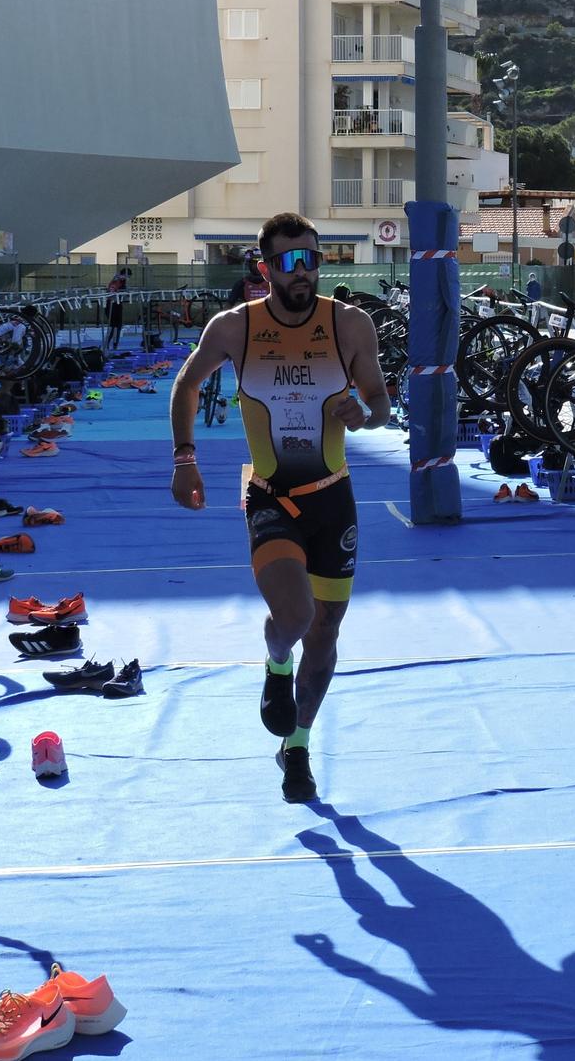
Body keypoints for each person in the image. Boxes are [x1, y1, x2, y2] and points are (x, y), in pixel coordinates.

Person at [168, 213, 392, 803]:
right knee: (292, 618)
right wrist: (184, 458)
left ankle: (297, 744)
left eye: (313, 259)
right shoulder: (235, 327)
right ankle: (274, 663)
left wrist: (364, 414)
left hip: (332, 498)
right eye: (291, 261)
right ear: (264, 267)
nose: (304, 272)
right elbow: (187, 384)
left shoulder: (349, 325)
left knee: (325, 633)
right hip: (271, 496)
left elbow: (381, 400)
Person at [105, 268, 129, 350]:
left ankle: (115, 345)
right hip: (112, 304)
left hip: (117, 304)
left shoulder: (122, 281)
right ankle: (108, 344)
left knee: (117, 326)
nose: (127, 278)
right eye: (127, 276)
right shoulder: (116, 280)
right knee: (113, 326)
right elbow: (111, 291)